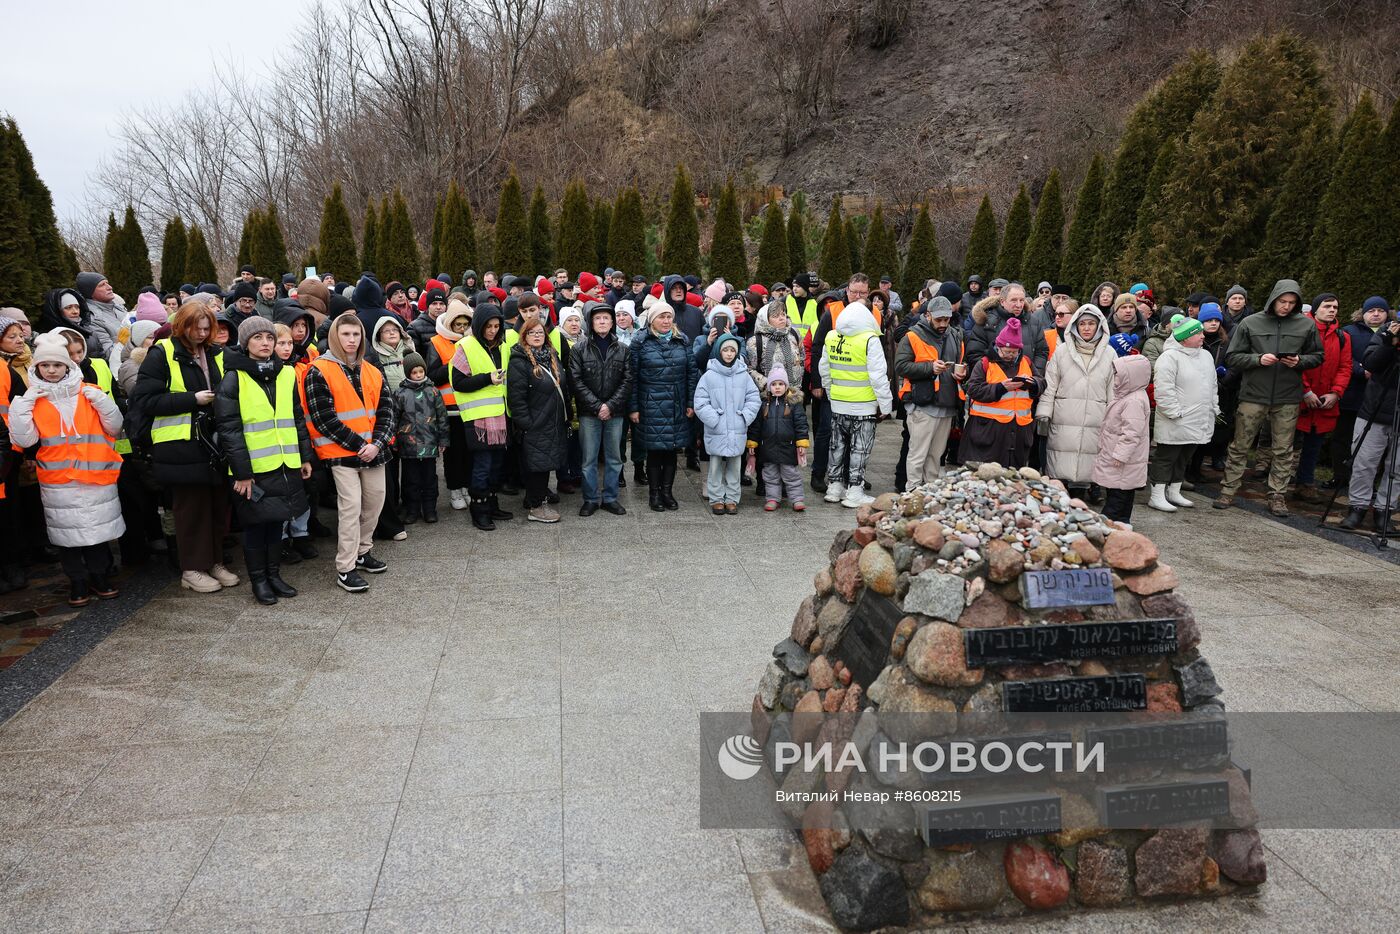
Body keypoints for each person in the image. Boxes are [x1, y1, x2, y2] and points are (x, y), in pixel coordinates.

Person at [8, 333, 124, 606]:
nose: (51, 371)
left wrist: (102, 401)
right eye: (45, 366)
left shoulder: (89, 392)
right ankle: (78, 580)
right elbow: (25, 440)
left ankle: (99, 576)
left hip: (95, 475)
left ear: (68, 366)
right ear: (37, 367)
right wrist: (21, 407)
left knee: (97, 532)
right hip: (59, 479)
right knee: (66, 535)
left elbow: (114, 427)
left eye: (56, 365)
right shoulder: (32, 399)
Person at [131, 301, 238, 593]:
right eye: (197, 328)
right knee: (191, 509)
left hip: (212, 443)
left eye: (207, 328)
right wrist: (192, 399)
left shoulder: (216, 352)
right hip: (179, 445)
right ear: (182, 326)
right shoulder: (162, 353)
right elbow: (145, 400)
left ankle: (214, 561)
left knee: (217, 504)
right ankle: (192, 568)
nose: (202, 334)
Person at [214, 318, 313, 604]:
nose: (266, 343)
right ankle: (259, 580)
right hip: (253, 470)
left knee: (276, 522)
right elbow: (230, 429)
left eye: (269, 337)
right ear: (246, 343)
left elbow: (296, 417)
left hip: (284, 462)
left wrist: (304, 456)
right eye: (257, 338)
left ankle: (274, 575)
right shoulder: (234, 377)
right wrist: (242, 473)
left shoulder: (286, 374)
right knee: (256, 526)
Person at [1214, 279, 1323, 516]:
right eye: (1282, 301)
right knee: (1241, 444)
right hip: (1254, 394)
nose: (1286, 306)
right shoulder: (1250, 323)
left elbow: (1317, 356)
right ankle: (1228, 490)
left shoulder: (1305, 325)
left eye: (1291, 302)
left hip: (1287, 396)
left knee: (1283, 449)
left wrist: (1300, 361)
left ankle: (1277, 495)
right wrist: (1257, 359)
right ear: (1273, 299)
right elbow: (1232, 357)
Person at [304, 311, 395, 591]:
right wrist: (360, 446)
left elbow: (387, 411)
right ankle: (346, 567)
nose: (352, 339)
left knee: (374, 503)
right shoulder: (318, 370)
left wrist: (376, 444)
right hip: (341, 454)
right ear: (334, 336)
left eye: (356, 334)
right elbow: (323, 419)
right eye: (346, 334)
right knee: (351, 507)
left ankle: (363, 551)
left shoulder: (371, 370)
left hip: (373, 452)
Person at [818, 298, 892, 507]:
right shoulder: (870, 340)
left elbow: (824, 369)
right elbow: (878, 377)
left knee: (837, 447)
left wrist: (832, 393)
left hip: (838, 403)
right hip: (864, 406)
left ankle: (834, 487)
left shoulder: (831, 336)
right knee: (860, 449)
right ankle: (854, 491)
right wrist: (886, 406)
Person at [451, 301, 514, 531]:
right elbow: (458, 383)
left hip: (501, 415)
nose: (493, 330)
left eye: (497, 326)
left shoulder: (504, 345)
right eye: (489, 326)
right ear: (479, 325)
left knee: (497, 464)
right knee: (482, 465)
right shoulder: (465, 346)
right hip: (478, 419)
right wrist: (487, 378)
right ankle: (479, 510)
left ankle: (492, 504)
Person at [1037, 305, 1113, 493]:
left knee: (1089, 458)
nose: (1086, 328)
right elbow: (1050, 384)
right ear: (1075, 326)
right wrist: (1044, 412)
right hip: (1065, 415)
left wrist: (1113, 417)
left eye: (1091, 324)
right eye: (1082, 324)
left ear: (1099, 326)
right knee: (1061, 461)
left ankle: (1084, 494)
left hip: (1095, 417)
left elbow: (1113, 389)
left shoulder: (1110, 354)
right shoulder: (1062, 352)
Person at [629, 301, 697, 512]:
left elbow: (691, 373)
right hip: (651, 403)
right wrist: (633, 407)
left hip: (676, 402)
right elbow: (631, 377)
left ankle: (667, 492)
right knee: (655, 451)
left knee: (671, 451)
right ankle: (654, 494)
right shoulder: (640, 342)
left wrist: (690, 402)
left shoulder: (682, 340)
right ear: (652, 320)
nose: (666, 321)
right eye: (661, 317)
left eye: (669, 317)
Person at [1148, 317, 1218, 512]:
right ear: (1185, 337)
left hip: (1199, 416)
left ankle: (1174, 491)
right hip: (1176, 418)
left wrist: (1214, 407)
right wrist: (1173, 413)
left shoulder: (1205, 356)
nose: (1203, 336)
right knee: (1167, 456)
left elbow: (1212, 385)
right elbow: (1163, 389)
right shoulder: (1169, 357)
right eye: (1198, 333)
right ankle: (1156, 495)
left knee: (1185, 455)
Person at [894, 296, 963, 489]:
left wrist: (961, 373)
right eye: (938, 319)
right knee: (918, 454)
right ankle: (913, 490)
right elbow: (900, 366)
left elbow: (960, 361)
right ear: (927, 315)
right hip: (922, 404)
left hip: (947, 404)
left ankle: (930, 492)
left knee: (936, 456)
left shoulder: (956, 335)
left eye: (946, 319)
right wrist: (929, 368)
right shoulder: (912, 336)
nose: (943, 323)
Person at [507, 317, 571, 523]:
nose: (537, 336)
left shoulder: (552, 355)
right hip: (536, 423)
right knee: (537, 465)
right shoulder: (519, 361)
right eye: (532, 333)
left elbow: (563, 386)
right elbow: (516, 397)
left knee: (545, 462)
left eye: (540, 332)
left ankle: (536, 496)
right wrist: (527, 424)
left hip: (554, 420)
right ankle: (536, 506)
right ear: (524, 336)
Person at [570, 301, 631, 516]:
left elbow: (627, 380)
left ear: (612, 322)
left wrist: (610, 406)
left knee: (615, 458)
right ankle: (590, 499)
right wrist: (597, 406)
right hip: (590, 413)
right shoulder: (579, 349)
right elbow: (576, 380)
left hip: (615, 412)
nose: (602, 321)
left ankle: (611, 498)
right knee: (589, 459)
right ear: (591, 323)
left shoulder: (623, 349)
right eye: (598, 318)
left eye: (606, 318)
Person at [1290, 293, 1352, 502]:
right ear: (1316, 309)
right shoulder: (1301, 330)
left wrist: (1336, 393)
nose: (1332, 310)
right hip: (1298, 399)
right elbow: (1294, 364)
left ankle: (1305, 484)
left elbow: (1345, 367)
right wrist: (1305, 391)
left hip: (1324, 402)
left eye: (1335, 306)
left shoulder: (1343, 337)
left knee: (1313, 447)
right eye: (1327, 306)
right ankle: (1277, 485)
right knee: (1286, 445)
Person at [1340, 318, 1400, 532]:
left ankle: (1385, 510)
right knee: (1364, 462)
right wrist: (1389, 344)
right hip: (1375, 410)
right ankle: (1357, 507)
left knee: (1397, 467)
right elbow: (1371, 364)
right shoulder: (1386, 331)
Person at [961, 318, 1044, 468]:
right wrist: (1001, 388)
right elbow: (973, 389)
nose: (1011, 355)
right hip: (988, 432)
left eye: (1015, 352)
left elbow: (1042, 382)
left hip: (1019, 433)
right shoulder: (985, 363)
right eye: (1007, 352)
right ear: (998, 347)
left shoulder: (1026, 361)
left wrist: (1033, 384)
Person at [694, 333, 761, 514]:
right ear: (718, 351)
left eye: (733, 350)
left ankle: (732, 497)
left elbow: (754, 399)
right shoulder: (709, 376)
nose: (729, 354)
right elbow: (700, 401)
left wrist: (744, 417)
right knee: (715, 465)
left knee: (734, 465)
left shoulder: (744, 375)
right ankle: (716, 497)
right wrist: (713, 419)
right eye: (725, 350)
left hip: (737, 428)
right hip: (716, 429)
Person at [1334, 297, 1394, 489]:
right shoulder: (1349, 331)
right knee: (1343, 437)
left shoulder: (1391, 333)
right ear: (1363, 313)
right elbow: (1342, 358)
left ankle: (1370, 484)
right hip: (1353, 394)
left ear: (1387, 313)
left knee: (1375, 447)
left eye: (1380, 310)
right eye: (1371, 310)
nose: (1376, 314)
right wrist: (1362, 370)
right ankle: (1340, 476)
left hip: (1379, 399)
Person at [1092, 354, 1153, 525]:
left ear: (1131, 376)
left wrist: (1120, 455)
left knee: (1117, 494)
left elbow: (1131, 432)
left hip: (1122, 459)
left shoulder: (1133, 401)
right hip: (1123, 457)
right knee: (1125, 491)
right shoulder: (1129, 396)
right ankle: (1123, 522)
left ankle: (1108, 524)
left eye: (1119, 374)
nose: (1116, 378)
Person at [367, 316, 411, 542]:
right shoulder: (375, 357)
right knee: (390, 468)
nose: (392, 334)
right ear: (378, 336)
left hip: (412, 415)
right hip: (389, 414)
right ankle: (391, 507)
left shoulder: (410, 350)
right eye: (386, 331)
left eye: (395, 330)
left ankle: (410, 505)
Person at [426, 299, 473, 510]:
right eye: (458, 325)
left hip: (471, 405)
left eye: (465, 325)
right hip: (449, 408)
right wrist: (456, 363)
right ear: (450, 324)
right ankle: (454, 489)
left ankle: (466, 486)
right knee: (453, 452)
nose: (462, 329)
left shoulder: (473, 340)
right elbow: (433, 375)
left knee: (469, 450)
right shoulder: (436, 342)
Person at [394, 351, 448, 524]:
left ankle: (430, 509)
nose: (418, 375)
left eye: (420, 371)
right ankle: (412, 509)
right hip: (408, 445)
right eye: (414, 372)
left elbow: (442, 417)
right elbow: (394, 418)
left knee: (430, 479)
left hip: (430, 444)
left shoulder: (433, 391)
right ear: (408, 373)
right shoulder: (400, 393)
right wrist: (394, 441)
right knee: (411, 480)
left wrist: (443, 439)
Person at [748, 363, 810, 511]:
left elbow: (801, 425)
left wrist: (801, 443)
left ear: (786, 386)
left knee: (791, 475)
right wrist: (752, 444)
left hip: (787, 447)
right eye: (774, 384)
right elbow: (756, 426)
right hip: (768, 448)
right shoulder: (763, 405)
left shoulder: (794, 404)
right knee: (770, 476)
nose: (777, 387)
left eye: (781, 384)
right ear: (769, 386)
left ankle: (797, 499)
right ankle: (772, 498)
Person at [75, 272, 129, 356]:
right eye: (102, 285)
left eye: (107, 283)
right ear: (90, 292)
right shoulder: (91, 319)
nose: (110, 287)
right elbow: (109, 353)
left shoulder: (119, 307)